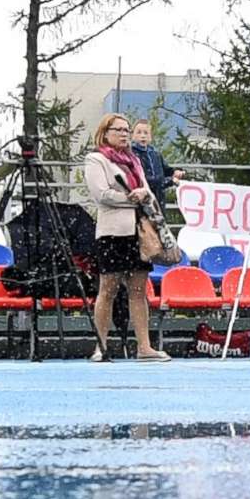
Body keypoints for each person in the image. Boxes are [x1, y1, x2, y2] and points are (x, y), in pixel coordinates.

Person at [80, 112, 169, 361]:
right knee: (107, 289)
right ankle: (101, 346)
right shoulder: (96, 159)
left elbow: (149, 192)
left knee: (138, 290)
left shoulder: (134, 161)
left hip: (138, 233)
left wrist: (144, 194)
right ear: (105, 133)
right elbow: (101, 195)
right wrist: (130, 199)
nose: (123, 134)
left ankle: (144, 347)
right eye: (118, 129)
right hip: (112, 233)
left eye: (126, 129)